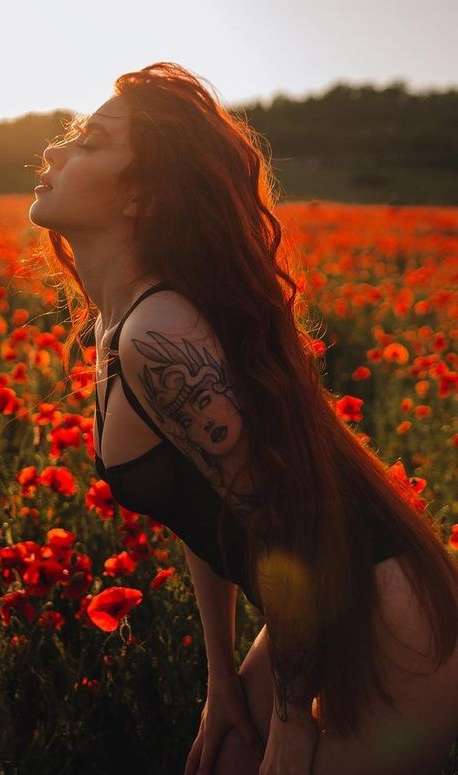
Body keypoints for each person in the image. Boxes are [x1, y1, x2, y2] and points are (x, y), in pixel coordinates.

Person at [28, 61, 458, 774]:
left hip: (390, 619)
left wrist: (292, 720)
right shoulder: (121, 326)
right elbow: (210, 508)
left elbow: (290, 522)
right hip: (328, 605)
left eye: (90, 143)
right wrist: (220, 677)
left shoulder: (154, 334)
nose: (52, 152)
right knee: (223, 751)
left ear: (142, 196)